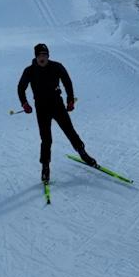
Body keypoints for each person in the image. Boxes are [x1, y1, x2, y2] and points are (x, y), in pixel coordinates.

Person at [17, 42, 98, 185]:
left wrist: (70, 100)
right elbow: (21, 87)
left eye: (45, 55)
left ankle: (83, 153)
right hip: (41, 108)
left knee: (69, 130)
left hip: (57, 105)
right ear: (36, 57)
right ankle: (45, 166)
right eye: (40, 55)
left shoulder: (56, 67)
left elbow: (67, 82)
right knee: (46, 138)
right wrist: (24, 103)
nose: (43, 58)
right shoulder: (29, 71)